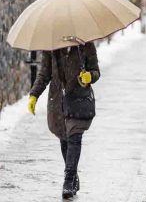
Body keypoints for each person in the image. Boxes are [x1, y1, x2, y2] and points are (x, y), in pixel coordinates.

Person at [27, 42, 100, 198]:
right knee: (64, 139)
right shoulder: (50, 45)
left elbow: (96, 71)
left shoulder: (85, 43)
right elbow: (44, 74)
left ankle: (68, 180)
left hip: (78, 99)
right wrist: (34, 94)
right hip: (58, 101)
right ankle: (73, 176)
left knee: (74, 137)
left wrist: (89, 76)